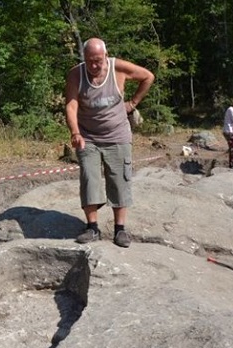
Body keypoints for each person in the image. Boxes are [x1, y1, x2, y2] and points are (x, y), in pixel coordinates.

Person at [65, 38, 154, 248]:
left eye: (98, 60)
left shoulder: (119, 68)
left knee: (119, 180)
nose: (94, 65)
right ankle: (92, 227)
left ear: (105, 55)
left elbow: (148, 77)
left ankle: (120, 230)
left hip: (117, 135)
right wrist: (75, 132)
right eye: (89, 61)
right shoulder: (76, 74)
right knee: (89, 178)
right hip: (88, 136)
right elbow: (71, 105)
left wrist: (132, 103)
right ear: (84, 59)